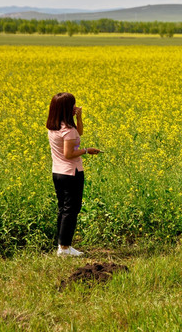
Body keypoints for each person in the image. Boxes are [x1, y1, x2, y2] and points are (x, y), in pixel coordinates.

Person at [46, 92, 101, 257]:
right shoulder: (68, 130)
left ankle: (62, 246)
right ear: (66, 108)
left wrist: (79, 118)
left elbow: (79, 133)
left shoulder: (54, 126)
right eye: (73, 105)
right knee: (71, 209)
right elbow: (69, 154)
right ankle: (64, 248)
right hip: (71, 173)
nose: (75, 107)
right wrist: (86, 150)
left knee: (63, 209)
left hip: (58, 172)